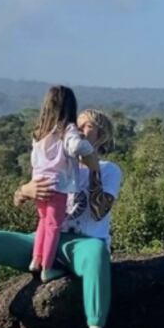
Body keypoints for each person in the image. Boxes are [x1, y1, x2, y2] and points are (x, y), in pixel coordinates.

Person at [0, 109, 122, 328]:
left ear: (101, 135)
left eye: (87, 126)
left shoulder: (109, 170)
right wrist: (24, 190)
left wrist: (92, 170)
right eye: (76, 125)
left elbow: (100, 210)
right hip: (45, 240)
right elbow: (18, 198)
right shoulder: (57, 162)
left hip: (80, 244)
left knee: (97, 252)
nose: (79, 130)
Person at [29, 86, 95, 281]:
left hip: (39, 185)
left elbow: (34, 160)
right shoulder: (67, 129)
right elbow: (76, 146)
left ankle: (36, 259)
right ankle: (47, 268)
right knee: (54, 226)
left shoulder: (40, 132)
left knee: (43, 222)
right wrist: (88, 151)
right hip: (58, 186)